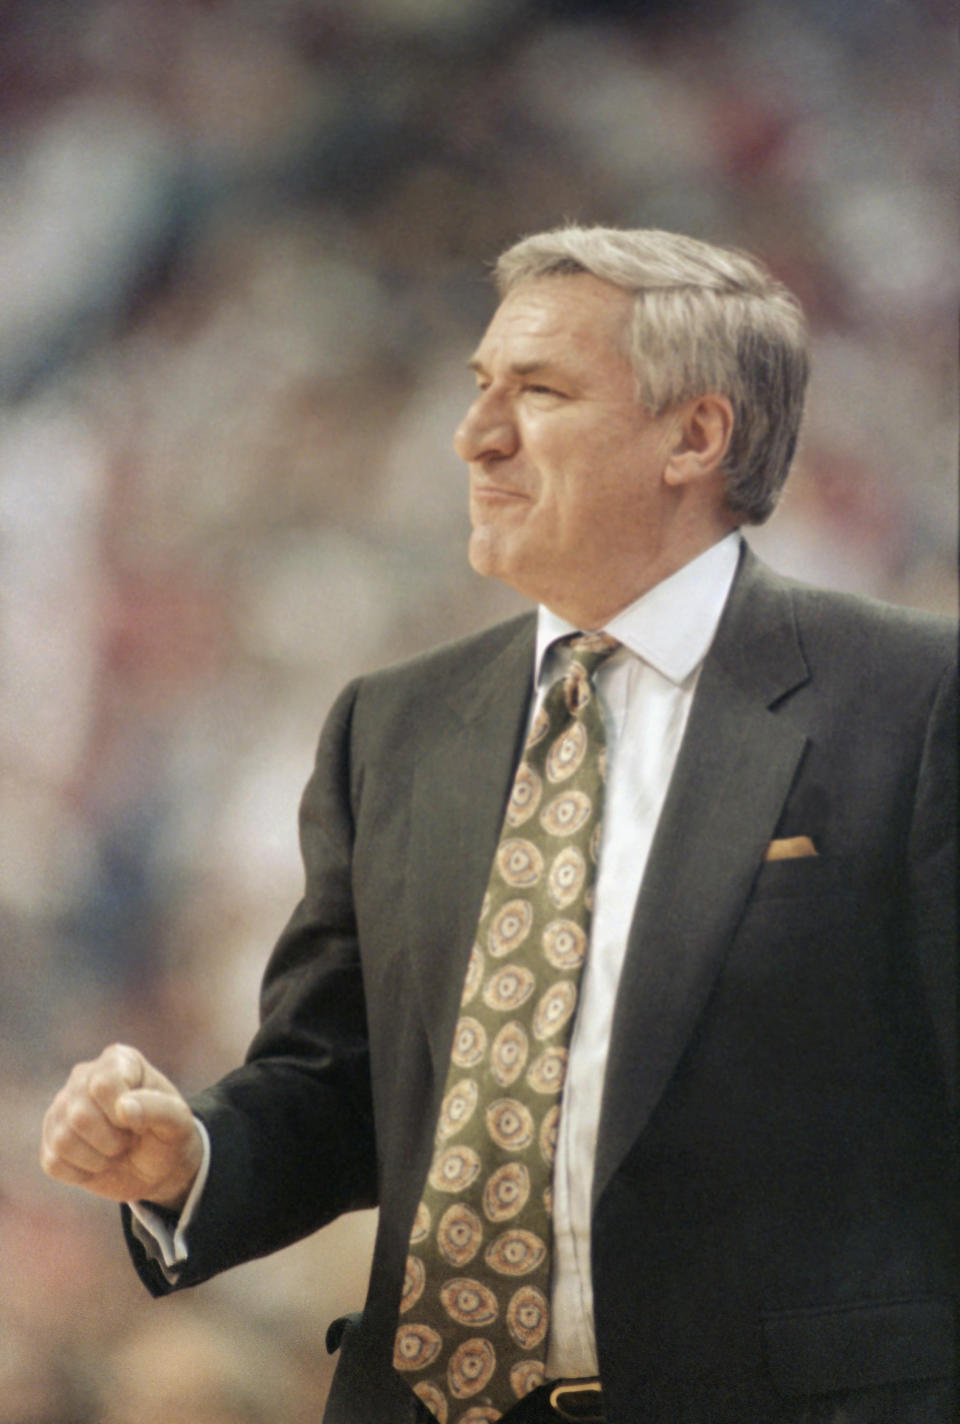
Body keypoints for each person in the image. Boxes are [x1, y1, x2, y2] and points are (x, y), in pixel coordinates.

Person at [41, 227, 956, 1424]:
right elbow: (335, 1084)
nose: (475, 435)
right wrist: (190, 1161)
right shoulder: (392, 725)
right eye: (480, 388)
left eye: (540, 391)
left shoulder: (915, 700)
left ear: (696, 435)